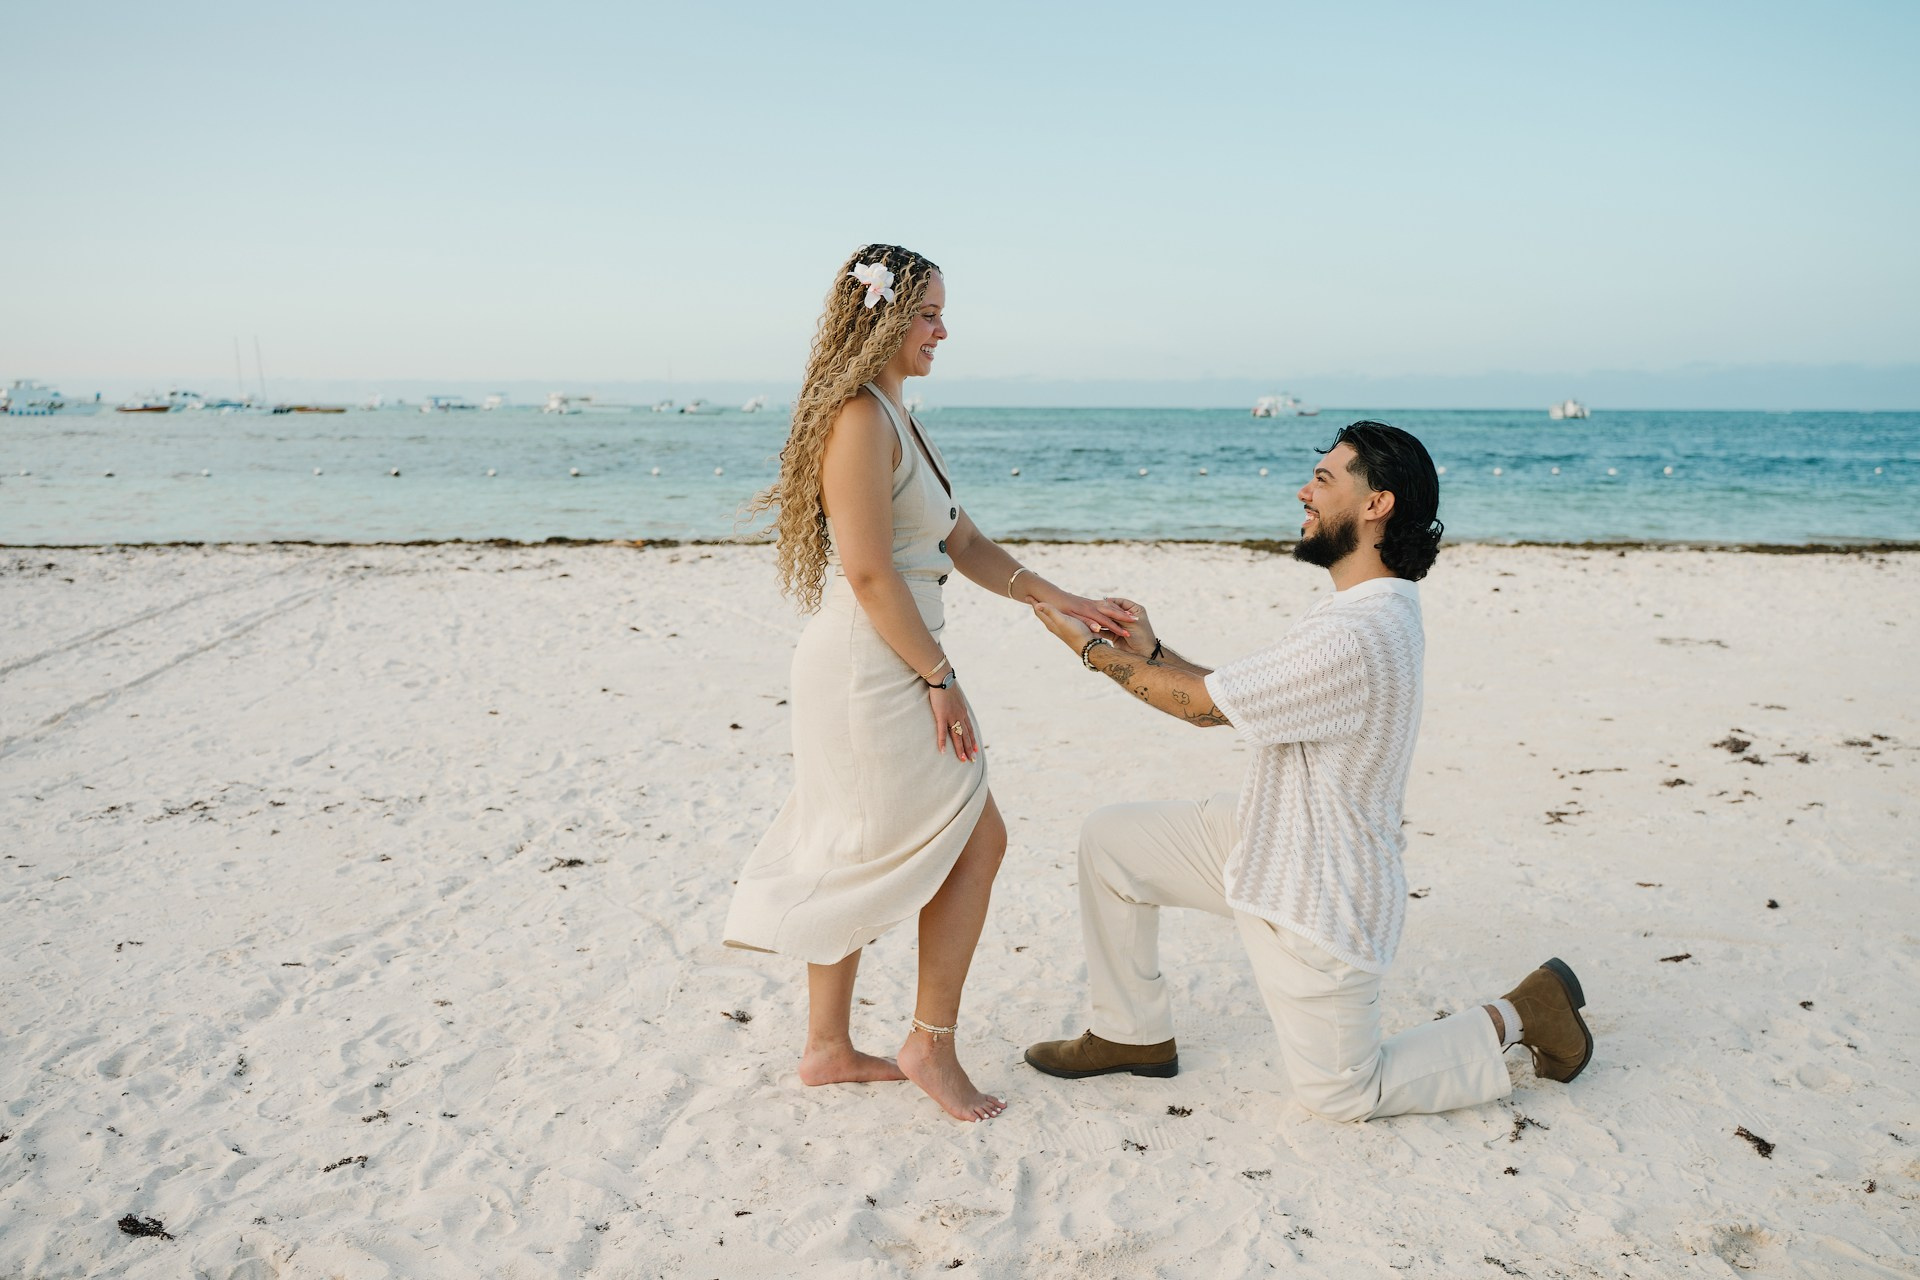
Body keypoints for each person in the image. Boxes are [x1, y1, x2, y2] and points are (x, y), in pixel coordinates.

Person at [1023, 421, 1595, 1122]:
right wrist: (1152, 651)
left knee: (1344, 1093)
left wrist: (1089, 650)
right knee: (1113, 841)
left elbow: (1201, 709)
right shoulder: (1360, 609)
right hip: (1269, 839)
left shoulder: (1357, 633)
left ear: (1376, 504)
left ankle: (1527, 1011)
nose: (1304, 491)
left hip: (1320, 891)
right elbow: (1236, 697)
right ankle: (1130, 1033)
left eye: (1324, 479)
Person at [724, 244, 1134, 1122]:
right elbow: (871, 573)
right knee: (973, 842)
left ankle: (828, 1049)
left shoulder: (895, 416)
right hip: (873, 664)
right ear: (881, 318)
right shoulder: (859, 419)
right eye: (928, 314)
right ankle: (928, 1045)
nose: (942, 331)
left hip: (890, 654)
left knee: (849, 845)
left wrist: (1062, 598)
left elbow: (965, 543)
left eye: (942, 314)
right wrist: (940, 677)